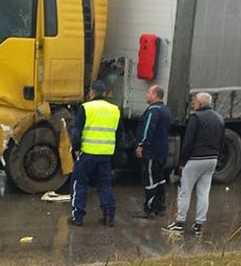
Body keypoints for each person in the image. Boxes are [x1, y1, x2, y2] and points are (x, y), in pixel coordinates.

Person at [163, 92, 225, 235]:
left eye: (195, 101)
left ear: (200, 103)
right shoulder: (219, 118)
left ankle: (180, 222)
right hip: (212, 159)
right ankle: (199, 224)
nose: (193, 104)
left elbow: (189, 141)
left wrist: (182, 161)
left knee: (185, 191)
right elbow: (222, 140)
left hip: (196, 159)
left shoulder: (195, 118)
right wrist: (217, 156)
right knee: (204, 192)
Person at [69, 80, 121, 227]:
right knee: (105, 185)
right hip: (105, 155)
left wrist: (76, 148)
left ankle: (78, 217)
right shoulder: (114, 109)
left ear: (91, 92)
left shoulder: (86, 107)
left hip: (87, 153)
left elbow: (76, 131)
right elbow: (119, 134)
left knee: (80, 184)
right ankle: (109, 217)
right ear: (104, 93)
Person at [132, 85, 172, 219]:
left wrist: (141, 145)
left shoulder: (152, 111)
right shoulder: (165, 110)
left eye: (148, 92)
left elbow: (148, 129)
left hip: (152, 151)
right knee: (159, 178)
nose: (146, 95)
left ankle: (148, 208)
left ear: (155, 95)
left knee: (149, 179)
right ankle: (160, 207)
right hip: (162, 150)